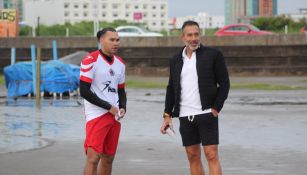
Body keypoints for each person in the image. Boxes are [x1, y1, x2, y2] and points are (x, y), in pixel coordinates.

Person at [160, 20, 230, 175]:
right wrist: (167, 115)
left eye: (196, 34)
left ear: (200, 34)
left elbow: (224, 84)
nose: (194, 38)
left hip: (207, 113)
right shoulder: (175, 60)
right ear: (183, 37)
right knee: (192, 156)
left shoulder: (214, 55)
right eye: (190, 35)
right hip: (185, 115)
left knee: (211, 154)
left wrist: (216, 108)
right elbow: (171, 88)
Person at [80, 27, 127, 175]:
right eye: (112, 40)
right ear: (101, 40)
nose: (116, 43)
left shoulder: (120, 63)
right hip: (96, 114)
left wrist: (123, 107)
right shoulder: (90, 60)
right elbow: (84, 91)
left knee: (108, 159)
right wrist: (108, 107)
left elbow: (121, 90)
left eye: (117, 40)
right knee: (93, 158)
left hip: (114, 115)